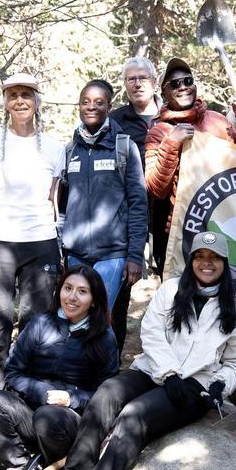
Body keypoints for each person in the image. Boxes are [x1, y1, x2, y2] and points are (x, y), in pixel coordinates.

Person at [37, 231, 236, 470]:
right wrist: (169, 373)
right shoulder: (172, 290)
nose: (207, 263)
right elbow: (151, 332)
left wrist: (220, 385)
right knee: (106, 394)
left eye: (214, 258)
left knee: (133, 416)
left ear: (224, 263)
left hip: (194, 386)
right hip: (155, 370)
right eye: (200, 257)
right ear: (191, 260)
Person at [0, 266, 119, 470]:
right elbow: (13, 372)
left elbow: (108, 394)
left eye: (82, 291)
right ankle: (19, 461)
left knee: (48, 417)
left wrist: (72, 398)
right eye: (68, 288)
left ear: (94, 301)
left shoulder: (104, 337)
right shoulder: (40, 323)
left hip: (68, 421)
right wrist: (41, 392)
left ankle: (47, 460)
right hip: (30, 410)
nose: (72, 297)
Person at [0, 73, 65, 390]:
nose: (20, 100)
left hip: (40, 242)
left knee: (35, 325)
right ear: (5, 102)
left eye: (26, 94)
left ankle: (26, 395)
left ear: (37, 101)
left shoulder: (54, 148)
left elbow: (52, 197)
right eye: (13, 95)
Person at [144, 58, 236, 271]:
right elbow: (155, 188)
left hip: (227, 221)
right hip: (186, 226)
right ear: (164, 94)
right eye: (175, 84)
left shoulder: (218, 120)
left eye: (187, 81)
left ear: (195, 86)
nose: (183, 87)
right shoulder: (159, 132)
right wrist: (171, 143)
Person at [58, 79, 147, 310]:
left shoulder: (124, 147)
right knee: (75, 315)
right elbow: (62, 206)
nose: (91, 107)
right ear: (79, 106)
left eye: (99, 102)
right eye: (85, 102)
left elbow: (138, 204)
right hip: (76, 254)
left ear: (109, 107)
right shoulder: (70, 150)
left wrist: (135, 256)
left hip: (113, 255)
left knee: (100, 315)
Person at [109, 57, 162, 342]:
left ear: (155, 82)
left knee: (174, 279)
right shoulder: (115, 121)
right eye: (131, 79)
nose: (137, 83)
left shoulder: (172, 114)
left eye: (143, 78)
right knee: (120, 285)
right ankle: (112, 352)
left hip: (167, 211)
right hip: (127, 212)